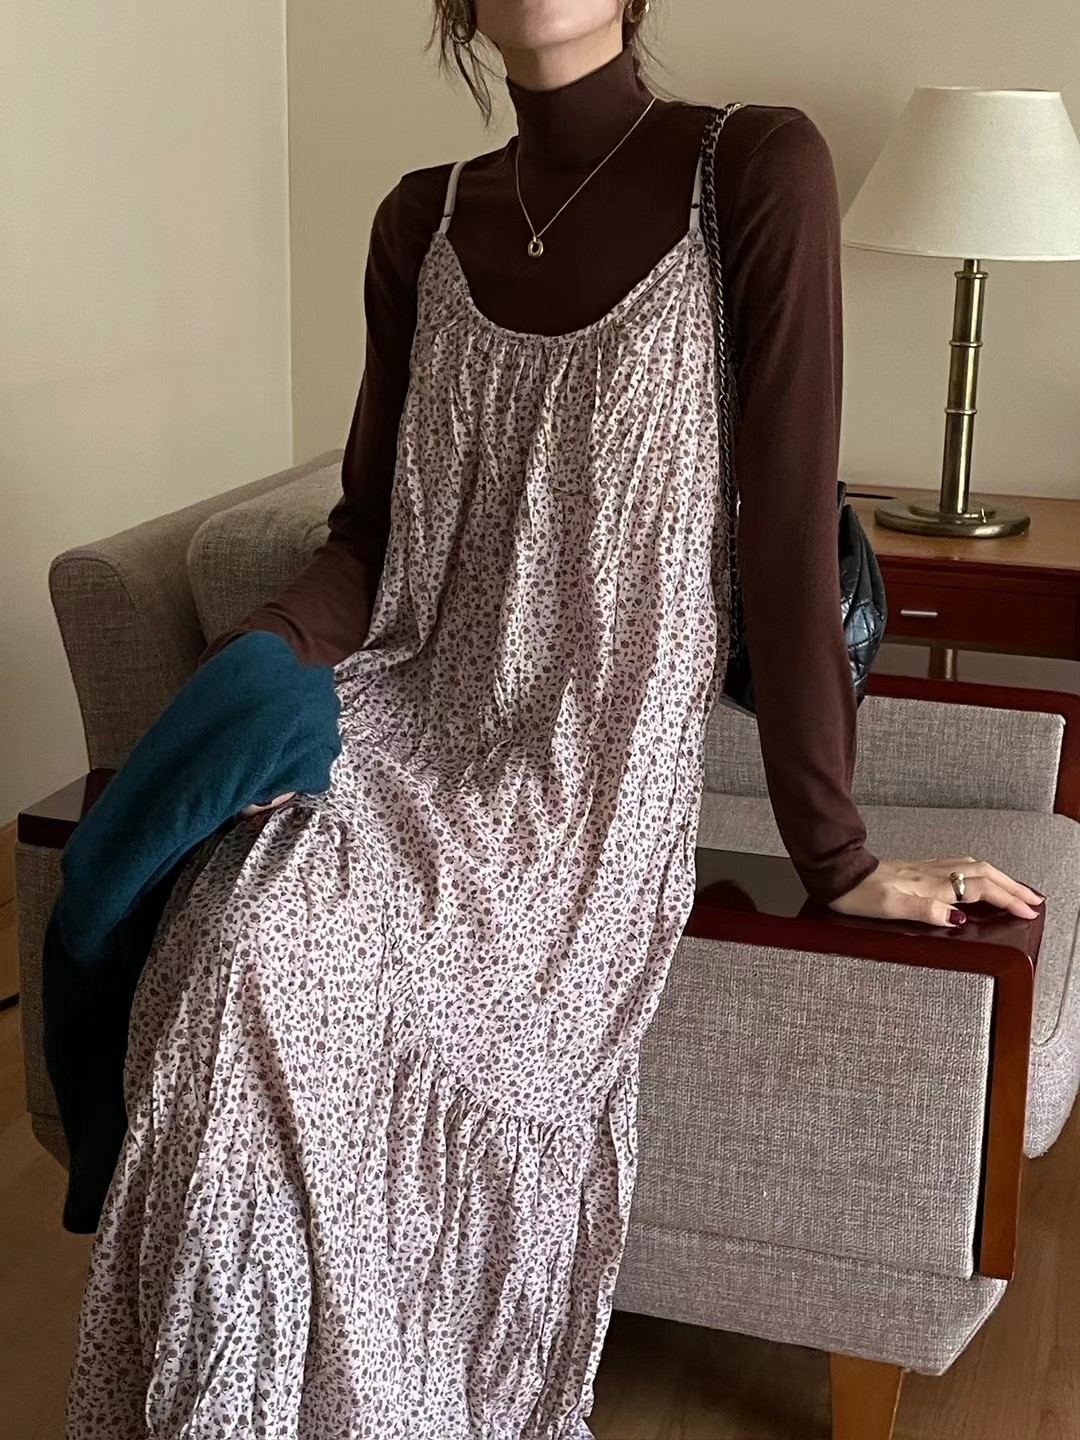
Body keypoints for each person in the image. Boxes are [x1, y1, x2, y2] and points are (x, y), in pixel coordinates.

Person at [65, 3, 1043, 1437]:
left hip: (589, 774)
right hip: (399, 715)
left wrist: (836, 856)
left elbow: (784, 528)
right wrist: (257, 666)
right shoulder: (422, 219)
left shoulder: (753, 168)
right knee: (242, 942)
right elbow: (366, 535)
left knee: (298, 962)